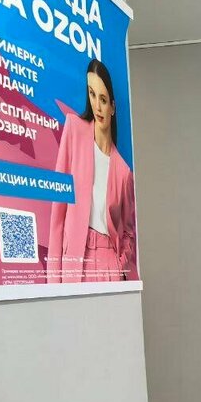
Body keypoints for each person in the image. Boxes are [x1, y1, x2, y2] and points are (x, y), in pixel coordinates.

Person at [48, 59, 137, 282]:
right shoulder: (74, 130)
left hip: (109, 264)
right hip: (74, 258)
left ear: (112, 107)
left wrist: (120, 266)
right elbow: (58, 211)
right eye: (92, 94)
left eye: (103, 99)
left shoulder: (124, 172)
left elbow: (128, 231)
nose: (97, 106)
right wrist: (53, 281)